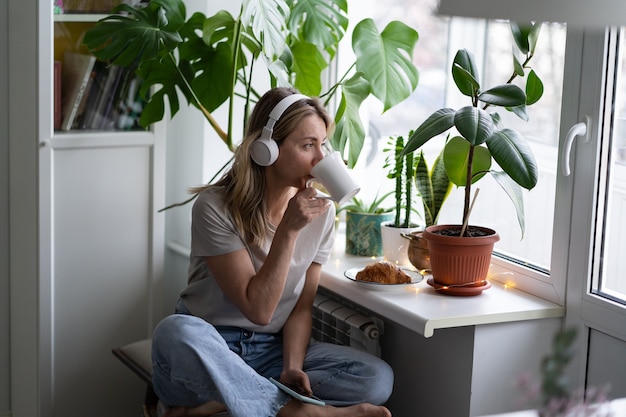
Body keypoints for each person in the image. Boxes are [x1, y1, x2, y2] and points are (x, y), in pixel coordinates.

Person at [151, 87, 394, 417]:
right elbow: (259, 309)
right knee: (174, 332)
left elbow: (300, 308)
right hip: (208, 345)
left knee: (377, 378)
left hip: (269, 351)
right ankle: (298, 413)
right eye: (308, 145)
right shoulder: (214, 207)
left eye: (322, 144)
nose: (320, 158)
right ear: (266, 149)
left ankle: (221, 402)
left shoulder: (322, 214)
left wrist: (292, 367)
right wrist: (289, 230)